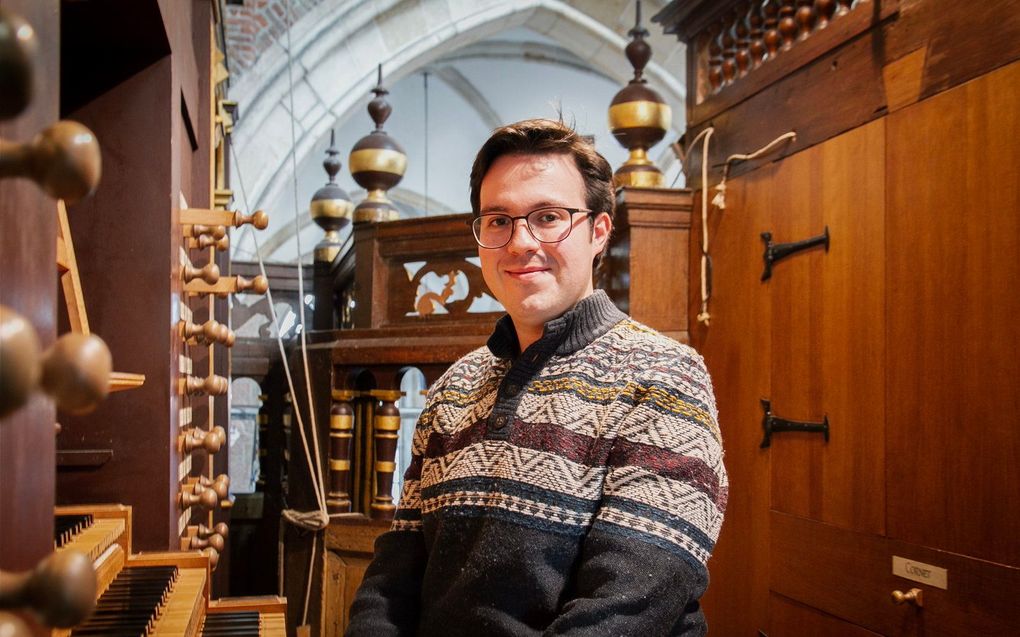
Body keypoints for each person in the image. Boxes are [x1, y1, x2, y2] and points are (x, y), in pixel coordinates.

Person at [346, 119, 727, 636]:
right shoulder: (454, 389)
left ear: (599, 231)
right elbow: (394, 577)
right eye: (498, 220)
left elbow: (627, 608)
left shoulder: (663, 374)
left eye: (548, 217)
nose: (520, 242)